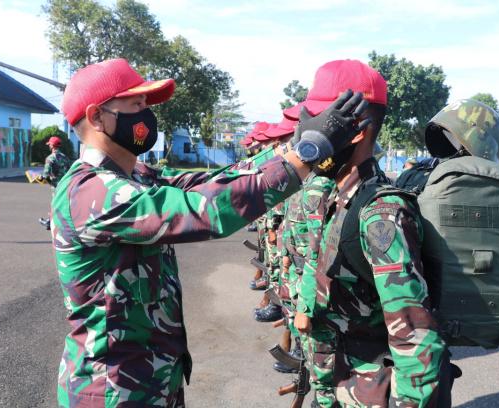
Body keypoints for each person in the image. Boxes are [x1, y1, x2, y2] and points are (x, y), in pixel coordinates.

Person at [51, 58, 369, 407]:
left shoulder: (135, 177)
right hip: (111, 390)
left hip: (152, 380)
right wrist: (306, 155)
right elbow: (206, 209)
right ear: (97, 116)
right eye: (135, 105)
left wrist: (289, 146)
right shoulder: (91, 192)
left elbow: (213, 181)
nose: (146, 116)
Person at [286, 59, 451, 407]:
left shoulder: (381, 212)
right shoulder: (337, 192)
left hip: (366, 384)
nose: (308, 133)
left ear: (356, 130)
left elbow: (413, 331)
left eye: (321, 123)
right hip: (335, 373)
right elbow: (317, 260)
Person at [37, 136, 71, 230]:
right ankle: (57, 222)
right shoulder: (65, 158)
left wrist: (39, 178)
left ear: (52, 146)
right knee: (62, 203)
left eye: (49, 144)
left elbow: (45, 174)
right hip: (66, 185)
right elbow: (70, 171)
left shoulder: (50, 158)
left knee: (55, 203)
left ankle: (50, 223)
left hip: (56, 185)